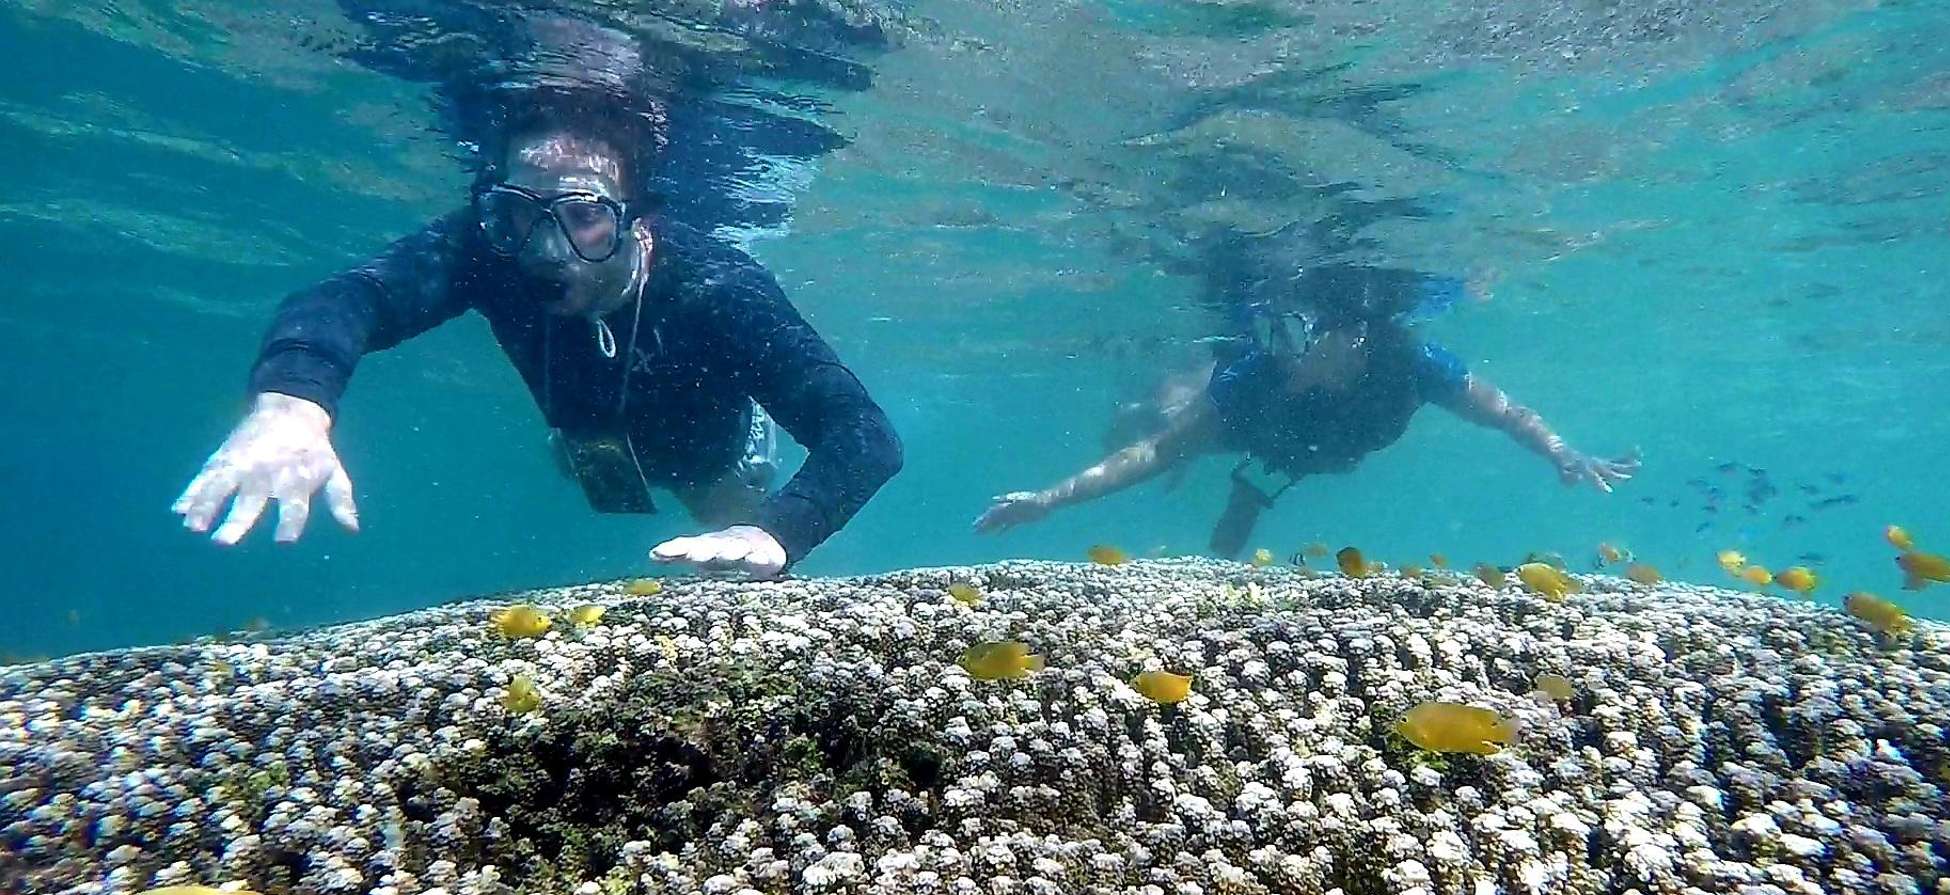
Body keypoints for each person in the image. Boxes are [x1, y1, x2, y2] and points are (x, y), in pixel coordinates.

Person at [173, 97, 901, 578]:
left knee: (732, 553)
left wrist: (780, 530)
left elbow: (864, 434)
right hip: (586, 439)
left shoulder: (718, 289)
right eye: (522, 210)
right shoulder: (491, 249)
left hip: (712, 461)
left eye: (584, 214)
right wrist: (292, 405)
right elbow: (349, 297)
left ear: (638, 220)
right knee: (585, 457)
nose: (548, 250)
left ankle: (748, 478)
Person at [974, 274, 1636, 554]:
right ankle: (1155, 404)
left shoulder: (1412, 362)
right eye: (1277, 330)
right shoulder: (1257, 374)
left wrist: (1561, 451)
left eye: (1297, 332)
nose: (1280, 347)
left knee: (1249, 494)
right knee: (1172, 424)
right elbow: (1157, 453)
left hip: (1316, 454)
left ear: (1354, 336)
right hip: (1259, 434)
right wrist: (1049, 500)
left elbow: (1506, 412)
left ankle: (1245, 489)